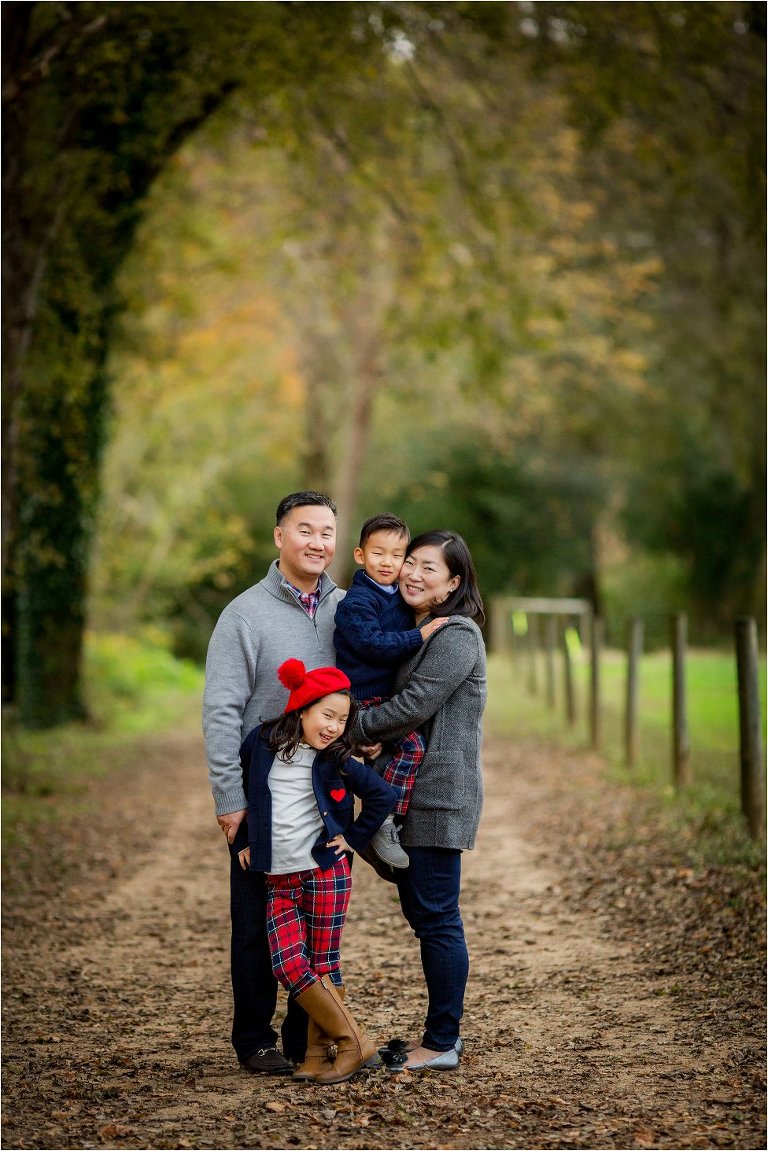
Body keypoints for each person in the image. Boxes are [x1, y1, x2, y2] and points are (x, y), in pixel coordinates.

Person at [202, 491, 344, 1075]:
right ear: (279, 537)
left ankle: (304, 1036)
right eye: (305, 529)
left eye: (328, 532)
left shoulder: (349, 609)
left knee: (319, 917)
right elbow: (220, 709)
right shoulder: (244, 614)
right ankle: (254, 1038)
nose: (317, 542)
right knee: (258, 916)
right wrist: (229, 798)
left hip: (325, 788)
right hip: (261, 787)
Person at [350, 529, 487, 1073]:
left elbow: (414, 704)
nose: (412, 572)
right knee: (423, 913)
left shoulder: (456, 635)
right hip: (408, 794)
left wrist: (349, 727)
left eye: (430, 568)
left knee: (437, 918)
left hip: (437, 797)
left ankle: (442, 1042)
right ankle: (438, 1036)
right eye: (411, 561)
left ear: (453, 582)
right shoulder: (409, 629)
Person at [236, 659, 397, 1084]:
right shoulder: (261, 743)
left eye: (343, 720)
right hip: (278, 878)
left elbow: (382, 795)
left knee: (323, 964)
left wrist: (353, 839)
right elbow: (250, 795)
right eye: (327, 715)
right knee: (288, 964)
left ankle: (316, 1054)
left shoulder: (337, 759)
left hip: (325, 874)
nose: (333, 728)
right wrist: (247, 842)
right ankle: (355, 1042)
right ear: (302, 709)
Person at [333, 513, 446, 869]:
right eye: (378, 553)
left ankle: (380, 819)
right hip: (360, 697)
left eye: (397, 555)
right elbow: (372, 644)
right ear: (359, 555)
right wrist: (420, 636)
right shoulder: (357, 603)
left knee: (400, 750)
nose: (388, 562)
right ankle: (379, 818)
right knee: (408, 747)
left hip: (382, 697)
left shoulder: (398, 596)